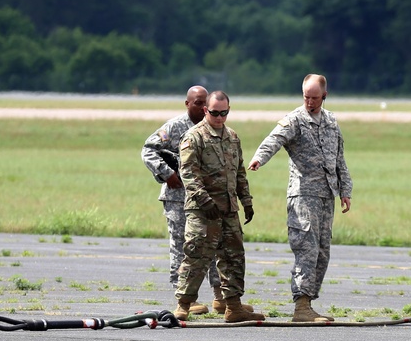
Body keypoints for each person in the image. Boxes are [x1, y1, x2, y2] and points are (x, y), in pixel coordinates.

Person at [248, 74, 353, 323]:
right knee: (306, 250)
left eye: (315, 98)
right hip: (303, 195)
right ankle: (301, 306)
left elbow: (339, 159)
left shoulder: (330, 122)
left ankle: (309, 303)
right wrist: (259, 158)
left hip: (327, 195)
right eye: (306, 96)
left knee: (322, 251)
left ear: (324, 96)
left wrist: (345, 190)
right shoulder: (295, 120)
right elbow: (274, 140)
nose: (310, 102)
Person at [174, 90, 263, 323]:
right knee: (197, 256)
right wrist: (204, 200)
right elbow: (188, 173)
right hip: (203, 210)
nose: (219, 117)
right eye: (215, 113)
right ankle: (183, 304)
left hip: (228, 208)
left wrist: (247, 201)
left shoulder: (232, 137)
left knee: (234, 256)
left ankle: (233, 306)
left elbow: (239, 172)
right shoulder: (194, 137)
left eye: (224, 113)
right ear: (206, 110)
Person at [140, 86, 222, 315]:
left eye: (205, 102)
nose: (202, 106)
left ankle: (220, 296)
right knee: (183, 246)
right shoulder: (174, 127)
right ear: (187, 104)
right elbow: (148, 150)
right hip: (178, 198)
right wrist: (167, 174)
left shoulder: (213, 126)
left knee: (214, 245)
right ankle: (184, 298)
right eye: (197, 102)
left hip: (206, 198)